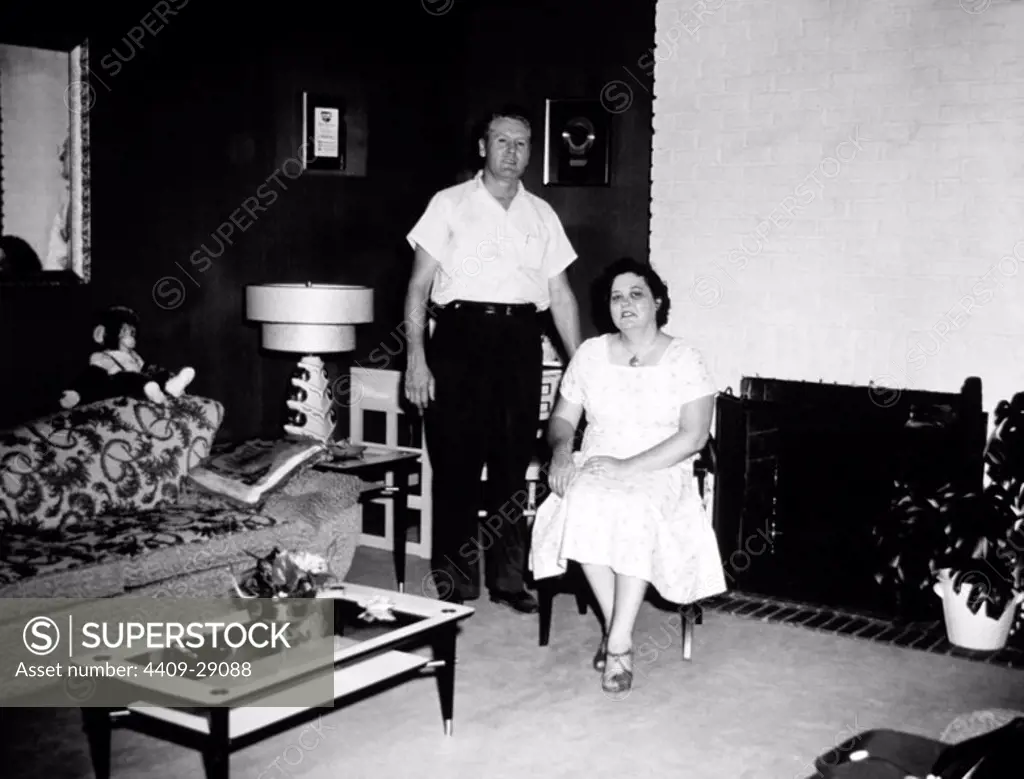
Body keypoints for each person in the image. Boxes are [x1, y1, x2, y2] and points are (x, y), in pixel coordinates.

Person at [403, 105, 582, 613]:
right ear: (482, 147)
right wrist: (417, 358)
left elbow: (561, 295)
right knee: (456, 464)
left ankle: (508, 581)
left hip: (519, 340)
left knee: (509, 464)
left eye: (521, 143)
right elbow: (417, 287)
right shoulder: (449, 203)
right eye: (501, 141)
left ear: (531, 151)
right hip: (458, 336)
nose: (511, 152)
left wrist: (583, 365)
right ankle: (457, 584)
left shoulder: (541, 213)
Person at [529, 257, 727, 694]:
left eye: (636, 294)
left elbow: (694, 437)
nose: (625, 304)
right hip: (598, 456)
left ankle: (617, 640)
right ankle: (618, 630)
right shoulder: (590, 354)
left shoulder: (684, 358)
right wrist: (562, 453)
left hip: (661, 465)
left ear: (658, 301)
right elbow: (561, 421)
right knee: (580, 499)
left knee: (634, 506)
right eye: (616, 297)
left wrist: (628, 468)